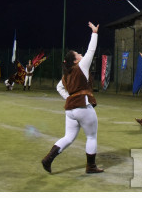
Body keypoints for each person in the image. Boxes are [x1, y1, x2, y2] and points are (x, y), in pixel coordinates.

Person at [41, 22, 103, 174]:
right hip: (82, 106)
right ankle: (91, 166)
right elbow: (91, 50)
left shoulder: (66, 74)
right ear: (75, 60)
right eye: (78, 55)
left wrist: (69, 97)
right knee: (91, 137)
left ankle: (48, 159)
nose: (81, 55)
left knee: (68, 137)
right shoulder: (80, 67)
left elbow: (59, 88)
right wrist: (94, 33)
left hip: (70, 109)